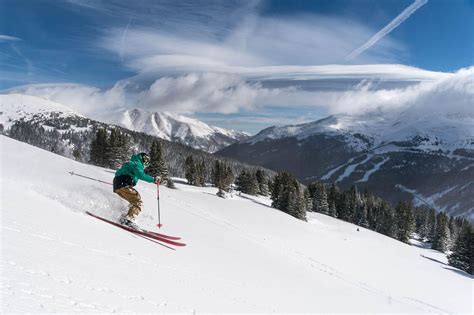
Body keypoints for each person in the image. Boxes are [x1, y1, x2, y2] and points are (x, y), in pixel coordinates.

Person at [113, 152, 160, 228]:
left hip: (120, 184)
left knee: (133, 202)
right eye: (146, 160)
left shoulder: (133, 163)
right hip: (123, 184)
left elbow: (120, 172)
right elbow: (141, 175)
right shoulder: (137, 164)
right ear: (143, 159)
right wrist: (153, 179)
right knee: (137, 201)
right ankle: (128, 219)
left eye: (148, 161)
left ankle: (125, 217)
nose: (147, 163)